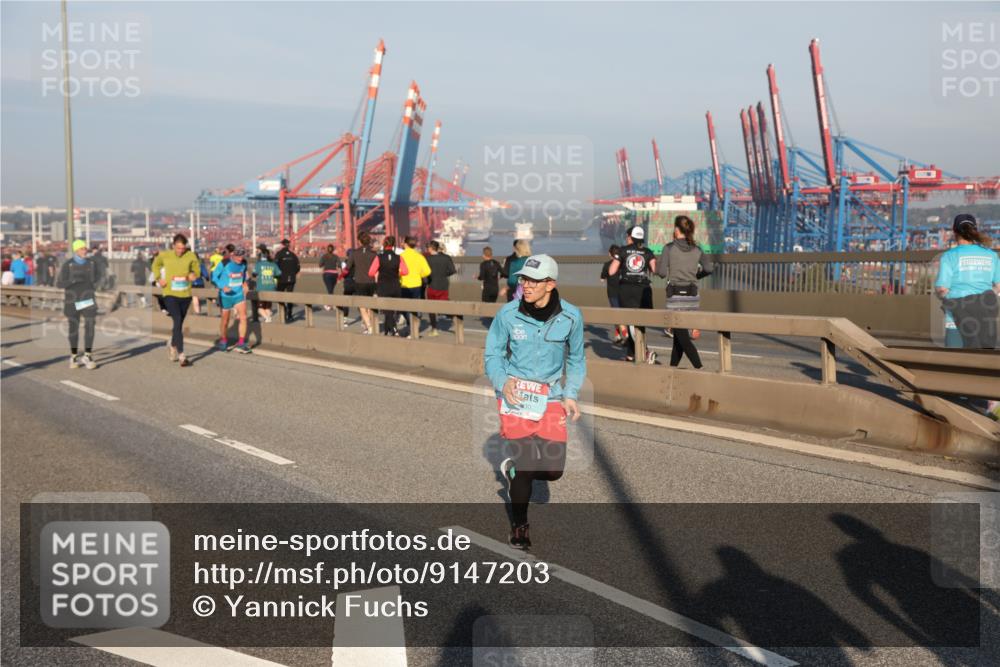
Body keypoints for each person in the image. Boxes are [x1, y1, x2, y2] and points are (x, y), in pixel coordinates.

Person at [486, 254, 585, 550]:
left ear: (550, 284)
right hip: (516, 395)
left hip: (551, 397)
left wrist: (571, 393)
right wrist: (502, 382)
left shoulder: (571, 316)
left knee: (554, 471)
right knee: (528, 463)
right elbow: (493, 355)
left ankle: (513, 472)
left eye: (533, 281)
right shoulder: (507, 314)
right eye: (523, 280)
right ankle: (520, 527)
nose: (526, 286)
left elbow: (577, 359)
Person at [657, 215, 715, 368]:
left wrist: (659, 267)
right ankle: (672, 371)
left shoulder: (669, 248)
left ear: (677, 229)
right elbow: (709, 269)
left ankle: (700, 369)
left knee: (683, 339)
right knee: (679, 339)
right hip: (692, 296)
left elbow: (661, 273)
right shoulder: (697, 249)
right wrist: (696, 276)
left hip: (675, 297)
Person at [935, 214, 1000, 350]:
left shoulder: (949, 256)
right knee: (983, 359)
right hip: (985, 316)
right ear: (974, 230)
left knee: (955, 359)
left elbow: (942, 289)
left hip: (956, 318)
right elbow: (998, 286)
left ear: (954, 232)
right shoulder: (991, 255)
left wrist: (945, 298)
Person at [608, 226, 657, 363]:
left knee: (630, 322)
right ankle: (630, 354)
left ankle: (645, 351)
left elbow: (611, 271)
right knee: (640, 323)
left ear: (630, 237)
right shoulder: (648, 252)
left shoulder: (622, 251)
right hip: (644, 290)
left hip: (627, 290)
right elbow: (655, 270)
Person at [152, 233, 200, 366]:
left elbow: (196, 270)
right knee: (177, 320)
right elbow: (155, 265)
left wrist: (193, 275)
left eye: (183, 248)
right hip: (170, 294)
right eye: (178, 248)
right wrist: (158, 278)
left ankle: (173, 344)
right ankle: (182, 355)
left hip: (185, 294)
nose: (180, 251)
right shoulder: (165, 255)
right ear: (173, 246)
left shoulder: (191, 256)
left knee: (178, 325)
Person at [57, 240, 101, 369]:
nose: (85, 250)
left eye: (85, 248)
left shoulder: (92, 263)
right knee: (73, 329)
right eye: (82, 248)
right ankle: (74, 356)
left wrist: (96, 285)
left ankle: (88, 355)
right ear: (76, 250)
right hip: (72, 301)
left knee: (90, 326)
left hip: (87, 299)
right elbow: (59, 284)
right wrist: (72, 280)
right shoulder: (68, 265)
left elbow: (98, 277)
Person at [212, 247, 252, 353]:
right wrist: (222, 286)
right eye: (238, 256)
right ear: (232, 255)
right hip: (225, 296)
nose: (240, 258)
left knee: (243, 317)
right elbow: (214, 277)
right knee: (225, 321)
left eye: (242, 256)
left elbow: (244, 276)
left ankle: (241, 343)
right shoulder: (224, 263)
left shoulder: (244, 263)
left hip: (238, 295)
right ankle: (223, 340)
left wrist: (245, 284)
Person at [370, 235, 408, 336]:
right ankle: (387, 331)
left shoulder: (379, 257)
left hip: (383, 286)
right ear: (393, 244)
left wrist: (381, 272)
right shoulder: (399, 257)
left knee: (387, 310)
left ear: (384, 244)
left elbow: (371, 272)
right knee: (391, 310)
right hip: (395, 286)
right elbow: (405, 271)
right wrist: (396, 273)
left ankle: (394, 329)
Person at [345, 231, 378, 334]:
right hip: (372, 282)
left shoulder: (354, 253)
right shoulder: (374, 254)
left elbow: (348, 267)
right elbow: (378, 268)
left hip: (359, 282)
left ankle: (369, 326)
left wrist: (341, 275)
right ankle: (369, 324)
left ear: (359, 241)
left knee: (362, 306)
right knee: (370, 304)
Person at [425, 240, 456, 336]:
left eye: (428, 248)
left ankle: (434, 329)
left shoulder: (428, 259)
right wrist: (443, 274)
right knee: (444, 306)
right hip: (443, 285)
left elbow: (425, 273)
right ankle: (454, 317)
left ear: (431, 248)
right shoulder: (446, 258)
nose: (427, 249)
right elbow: (452, 270)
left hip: (432, 285)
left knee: (431, 308)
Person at [600, 244, 627, 344]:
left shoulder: (607, 265)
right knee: (622, 315)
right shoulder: (623, 264)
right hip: (624, 292)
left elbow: (602, 278)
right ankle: (618, 336)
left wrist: (605, 277)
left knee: (616, 315)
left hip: (612, 294)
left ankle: (625, 336)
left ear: (609, 254)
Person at [274, 239, 301, 323]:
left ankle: (284, 310)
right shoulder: (293, 255)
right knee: (290, 296)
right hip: (291, 279)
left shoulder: (279, 254)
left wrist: (277, 275)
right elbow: (298, 267)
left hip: (281, 278)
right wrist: (293, 273)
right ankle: (290, 315)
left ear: (282, 245)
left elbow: (275, 266)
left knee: (279, 296)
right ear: (288, 245)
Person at [253, 248, 282, 322]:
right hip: (271, 287)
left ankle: (267, 318)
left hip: (261, 288)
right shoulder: (273, 264)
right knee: (267, 306)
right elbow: (279, 274)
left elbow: (254, 274)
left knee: (260, 308)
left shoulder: (258, 264)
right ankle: (268, 319)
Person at [319, 244, 340, 311]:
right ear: (333, 250)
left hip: (327, 274)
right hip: (335, 274)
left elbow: (320, 265)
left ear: (327, 250)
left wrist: (325, 263)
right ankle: (331, 304)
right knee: (331, 289)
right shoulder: (336, 257)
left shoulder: (324, 256)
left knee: (329, 290)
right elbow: (339, 265)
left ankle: (329, 305)